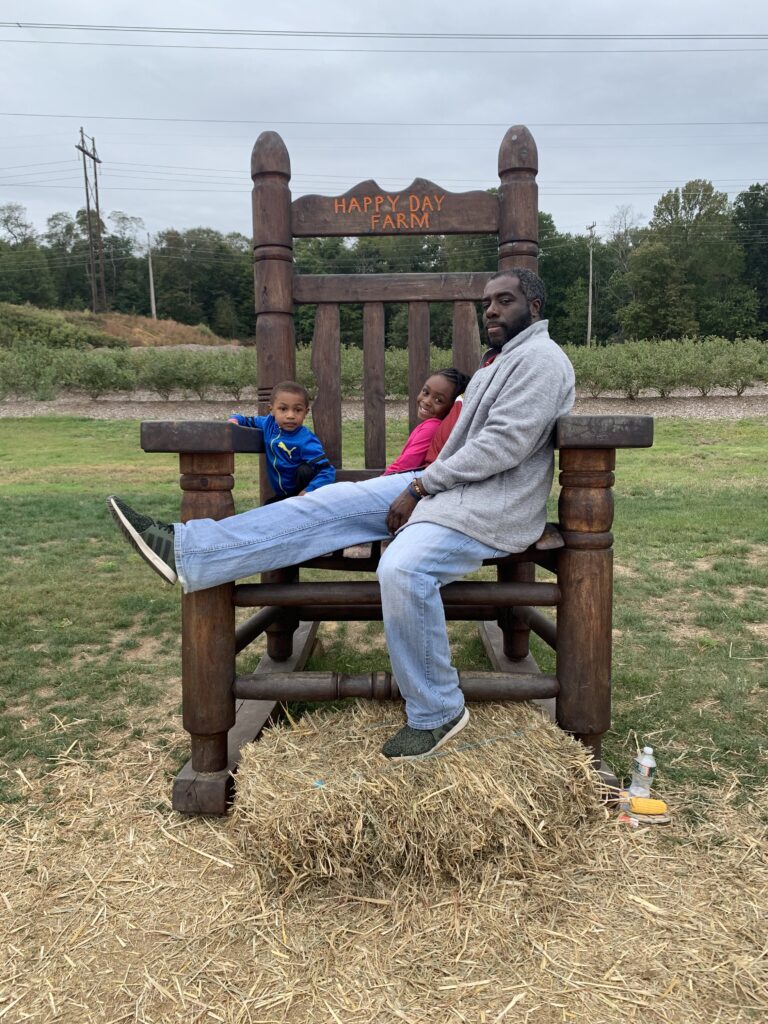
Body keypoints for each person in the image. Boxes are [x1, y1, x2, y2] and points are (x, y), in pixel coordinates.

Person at [107, 268, 575, 762]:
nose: (493, 310)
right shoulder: (500, 360)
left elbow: (501, 446)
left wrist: (419, 485)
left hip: (490, 507)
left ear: (535, 308)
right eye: (487, 303)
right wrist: (421, 484)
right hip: (446, 489)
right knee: (323, 502)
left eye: (505, 300)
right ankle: (189, 551)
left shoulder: (542, 362)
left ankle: (437, 710)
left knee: (403, 568)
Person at [228, 380, 335, 500]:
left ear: (306, 412)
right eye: (283, 409)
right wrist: (234, 420)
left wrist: (308, 491)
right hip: (282, 495)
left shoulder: (306, 440)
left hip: (304, 494)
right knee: (265, 512)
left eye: (297, 410)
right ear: (272, 410)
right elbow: (246, 420)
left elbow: (327, 471)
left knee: (304, 470)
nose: (290, 415)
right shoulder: (268, 423)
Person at [382, 367, 470, 475]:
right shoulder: (433, 426)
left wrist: (379, 482)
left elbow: (403, 466)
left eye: (438, 400)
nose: (427, 401)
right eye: (426, 392)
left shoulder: (432, 428)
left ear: (452, 407)